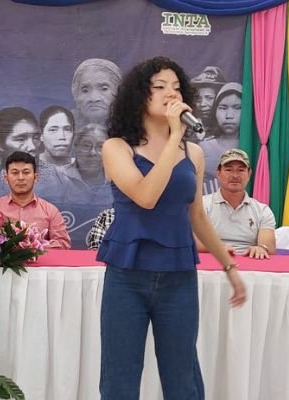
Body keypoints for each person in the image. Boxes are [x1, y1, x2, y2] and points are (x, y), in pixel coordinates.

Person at [96, 56, 246, 399]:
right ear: (139, 96)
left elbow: (198, 216)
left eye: (176, 87)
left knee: (183, 377)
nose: (170, 94)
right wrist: (175, 134)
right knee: (120, 375)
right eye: (160, 87)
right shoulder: (116, 147)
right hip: (127, 276)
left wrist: (229, 267)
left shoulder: (193, 153)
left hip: (178, 277)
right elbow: (146, 196)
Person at [0, 151, 71, 249]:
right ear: (6, 178)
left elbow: (63, 244)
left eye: (26, 172)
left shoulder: (50, 211)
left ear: (35, 177)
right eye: (15, 173)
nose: (21, 178)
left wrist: (35, 248)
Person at [197, 148, 276, 258]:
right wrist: (218, 248)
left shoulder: (262, 210)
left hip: (250, 264)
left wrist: (262, 248)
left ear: (249, 174)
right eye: (229, 170)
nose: (235, 175)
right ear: (218, 173)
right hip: (212, 260)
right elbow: (194, 241)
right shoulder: (201, 205)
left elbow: (269, 246)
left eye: (241, 170)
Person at [199, 82, 243, 194]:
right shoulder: (203, 147)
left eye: (237, 108)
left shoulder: (256, 149)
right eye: (223, 108)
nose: (229, 115)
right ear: (215, 111)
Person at [57, 123, 112, 205]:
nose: (93, 153)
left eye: (100, 147)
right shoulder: (59, 177)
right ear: (76, 147)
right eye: (86, 146)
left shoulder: (116, 180)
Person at [71, 58, 122, 127]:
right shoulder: (64, 127)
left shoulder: (132, 126)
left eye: (104, 89)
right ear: (76, 95)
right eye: (85, 90)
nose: (93, 98)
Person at [189, 65, 227, 140]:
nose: (203, 104)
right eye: (198, 99)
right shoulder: (188, 129)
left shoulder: (228, 130)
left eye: (209, 98)